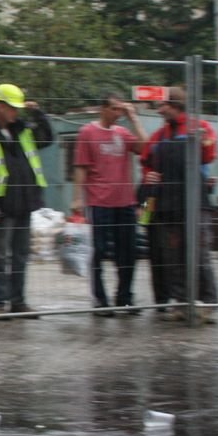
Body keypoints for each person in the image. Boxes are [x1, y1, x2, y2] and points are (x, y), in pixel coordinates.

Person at [0, 84, 54, 319]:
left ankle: (18, 302)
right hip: (3, 207)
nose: (16, 112)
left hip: (25, 204)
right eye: (12, 108)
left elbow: (47, 138)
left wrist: (38, 113)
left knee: (20, 255)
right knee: (1, 256)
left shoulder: (23, 130)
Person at [140, 87, 218, 323]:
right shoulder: (158, 136)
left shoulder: (200, 128)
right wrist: (149, 176)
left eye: (162, 105)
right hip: (167, 207)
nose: (159, 109)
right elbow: (145, 161)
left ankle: (207, 304)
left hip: (196, 205)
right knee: (174, 257)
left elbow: (208, 156)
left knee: (200, 256)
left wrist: (202, 142)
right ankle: (181, 304)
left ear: (174, 105)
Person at [71, 94, 148, 316]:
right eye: (114, 109)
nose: (118, 113)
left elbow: (144, 148)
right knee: (98, 251)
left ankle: (125, 298)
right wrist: (77, 198)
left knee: (128, 253)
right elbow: (80, 167)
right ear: (103, 108)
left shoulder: (123, 133)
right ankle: (100, 300)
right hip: (99, 202)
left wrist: (134, 118)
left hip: (124, 201)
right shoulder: (87, 132)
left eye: (120, 110)